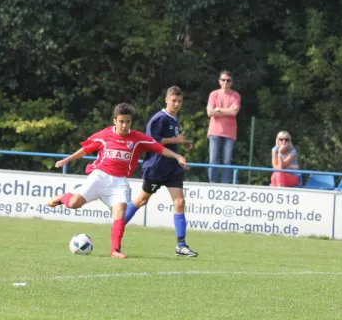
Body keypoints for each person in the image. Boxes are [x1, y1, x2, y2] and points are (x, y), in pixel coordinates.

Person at [48, 103, 188, 259]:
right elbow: (86, 149)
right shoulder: (104, 135)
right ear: (114, 120)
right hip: (99, 177)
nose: (125, 125)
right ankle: (63, 198)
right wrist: (66, 160)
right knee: (74, 204)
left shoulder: (137, 138)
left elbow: (159, 148)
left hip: (119, 183)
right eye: (121, 121)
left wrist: (177, 156)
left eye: (128, 122)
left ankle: (115, 250)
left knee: (120, 211)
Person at [123, 86, 198, 257]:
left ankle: (181, 245)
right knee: (141, 200)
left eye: (179, 101)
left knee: (179, 202)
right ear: (166, 100)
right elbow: (151, 141)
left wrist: (182, 143)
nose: (177, 104)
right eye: (174, 101)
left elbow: (171, 141)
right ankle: (118, 224)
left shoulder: (173, 119)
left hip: (172, 167)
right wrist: (174, 140)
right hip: (156, 167)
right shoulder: (160, 118)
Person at [207, 70, 241, 183]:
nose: (225, 82)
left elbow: (234, 113)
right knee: (213, 160)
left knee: (227, 161)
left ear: (232, 82)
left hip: (229, 133)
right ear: (219, 81)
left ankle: (225, 185)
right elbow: (210, 113)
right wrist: (228, 111)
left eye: (228, 80)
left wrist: (219, 110)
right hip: (214, 131)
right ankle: (212, 184)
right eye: (223, 80)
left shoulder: (235, 95)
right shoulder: (213, 94)